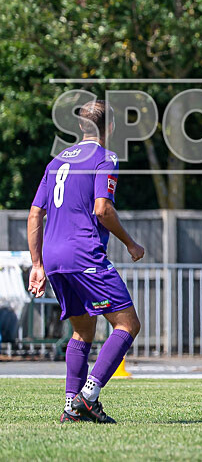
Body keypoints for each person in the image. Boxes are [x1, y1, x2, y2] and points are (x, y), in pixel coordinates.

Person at [27, 101, 145, 423]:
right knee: (127, 324)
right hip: (83, 255)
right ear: (111, 128)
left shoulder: (55, 163)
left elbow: (36, 213)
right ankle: (87, 398)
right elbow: (102, 209)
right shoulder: (105, 158)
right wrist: (131, 244)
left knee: (83, 330)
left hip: (53, 258)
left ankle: (71, 408)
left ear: (81, 127)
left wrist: (37, 264)